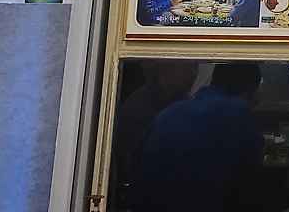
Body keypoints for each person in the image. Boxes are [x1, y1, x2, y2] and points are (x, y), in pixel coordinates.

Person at [129, 64, 264, 212]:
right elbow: (257, 157)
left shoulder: (172, 109)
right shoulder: (238, 109)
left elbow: (130, 162)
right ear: (246, 93)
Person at [113, 61, 199, 182]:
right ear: (163, 66)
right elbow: (133, 168)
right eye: (186, 66)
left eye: (197, 66)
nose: (194, 73)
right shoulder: (138, 108)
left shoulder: (186, 102)